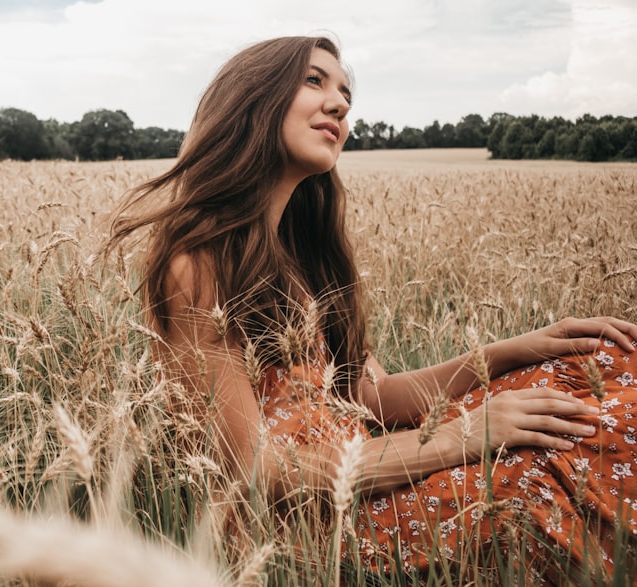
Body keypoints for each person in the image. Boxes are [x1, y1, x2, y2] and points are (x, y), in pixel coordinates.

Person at [107, 35, 637, 582]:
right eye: (314, 81)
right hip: (313, 527)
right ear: (251, 99)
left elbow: (368, 397)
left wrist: (510, 352)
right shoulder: (196, 264)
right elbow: (255, 469)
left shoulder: (299, 255)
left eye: (345, 92)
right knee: (534, 466)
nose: (339, 104)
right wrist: (460, 438)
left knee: (592, 370)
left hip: (370, 463)